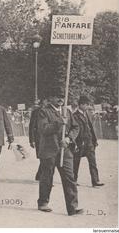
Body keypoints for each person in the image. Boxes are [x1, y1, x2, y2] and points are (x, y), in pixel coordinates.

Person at [36, 88, 83, 216]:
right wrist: (59, 123)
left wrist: (69, 138)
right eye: (57, 96)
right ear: (50, 98)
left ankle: (72, 208)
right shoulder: (43, 112)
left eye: (63, 96)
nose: (61, 99)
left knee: (69, 177)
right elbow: (43, 129)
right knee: (47, 178)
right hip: (48, 150)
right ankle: (43, 203)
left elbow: (75, 127)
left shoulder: (66, 111)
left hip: (64, 150)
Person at [73, 95, 104, 188]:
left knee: (93, 163)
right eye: (86, 104)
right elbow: (76, 129)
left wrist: (94, 140)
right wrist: (76, 142)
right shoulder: (75, 115)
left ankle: (95, 181)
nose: (87, 106)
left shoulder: (87, 114)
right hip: (80, 143)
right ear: (81, 105)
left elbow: (91, 128)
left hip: (89, 143)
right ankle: (73, 180)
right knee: (76, 162)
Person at [29, 98, 48, 181]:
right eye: (46, 100)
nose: (47, 102)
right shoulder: (36, 112)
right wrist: (32, 140)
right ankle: (42, 176)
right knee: (43, 157)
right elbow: (31, 126)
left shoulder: (50, 111)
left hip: (49, 138)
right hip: (39, 138)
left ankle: (40, 175)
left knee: (47, 157)